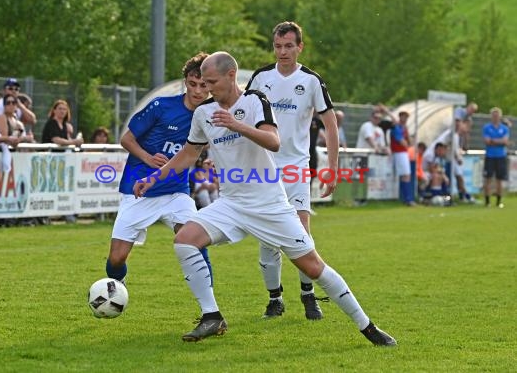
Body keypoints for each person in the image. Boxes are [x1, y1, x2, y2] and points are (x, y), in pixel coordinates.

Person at [134, 51, 396, 346]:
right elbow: (188, 154)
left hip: (269, 203)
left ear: (231, 75)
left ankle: (368, 327)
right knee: (185, 239)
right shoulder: (203, 113)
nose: (206, 89)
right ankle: (212, 316)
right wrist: (152, 178)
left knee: (312, 267)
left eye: (211, 82)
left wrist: (236, 125)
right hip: (232, 204)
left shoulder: (255, 100)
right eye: (203, 83)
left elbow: (273, 141)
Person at [244, 21, 340, 320]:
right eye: (278, 46)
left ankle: (308, 294)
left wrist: (333, 167)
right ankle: (275, 299)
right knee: (267, 236)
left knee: (300, 232)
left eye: (289, 46)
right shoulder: (261, 78)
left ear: (300, 47)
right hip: (264, 168)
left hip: (296, 167)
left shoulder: (310, 81)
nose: (283, 51)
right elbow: (242, 115)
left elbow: (331, 124)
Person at [105, 52, 213, 287]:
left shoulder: (209, 115)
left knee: (195, 242)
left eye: (203, 85)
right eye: (192, 84)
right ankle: (117, 285)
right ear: (185, 82)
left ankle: (210, 309)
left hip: (176, 191)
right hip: (139, 188)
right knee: (116, 258)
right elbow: (127, 139)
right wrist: (147, 157)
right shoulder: (161, 106)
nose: (197, 91)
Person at [482, 107, 510, 208]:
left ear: (500, 116)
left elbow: (505, 141)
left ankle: (499, 202)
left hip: (501, 156)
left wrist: (494, 141)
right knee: (488, 179)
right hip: (490, 156)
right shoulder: (486, 127)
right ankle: (487, 201)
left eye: (497, 115)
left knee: (499, 179)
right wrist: (500, 141)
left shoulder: (505, 128)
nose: (495, 117)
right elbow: (487, 141)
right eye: (493, 115)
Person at [390, 111, 415, 206]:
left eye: (406, 118)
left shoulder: (404, 128)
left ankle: (407, 198)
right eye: (403, 117)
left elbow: (410, 142)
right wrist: (407, 144)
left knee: (406, 175)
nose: (405, 119)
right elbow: (402, 142)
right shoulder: (396, 128)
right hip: (399, 153)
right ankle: (407, 199)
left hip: (403, 153)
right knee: (405, 175)